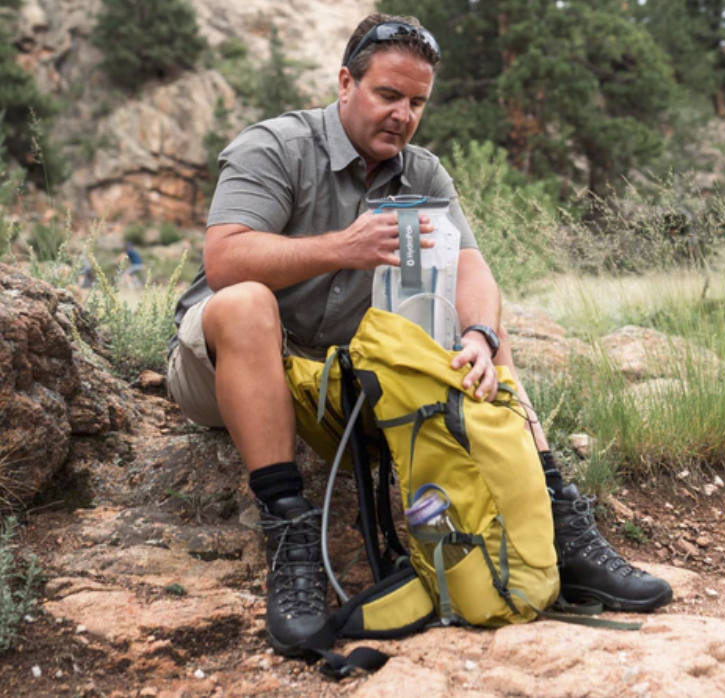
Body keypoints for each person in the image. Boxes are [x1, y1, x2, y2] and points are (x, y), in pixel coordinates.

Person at [167, 13, 672, 657]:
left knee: (485, 321)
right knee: (245, 303)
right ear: (346, 82)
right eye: (388, 96)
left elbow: (472, 270)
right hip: (227, 367)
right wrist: (342, 248)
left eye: (417, 103)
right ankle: (290, 534)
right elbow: (224, 259)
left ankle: (556, 518)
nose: (403, 115)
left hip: (332, 385)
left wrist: (482, 338)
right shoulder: (276, 146)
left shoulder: (423, 172)